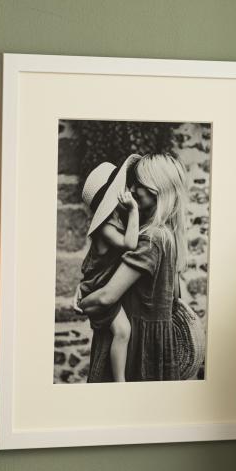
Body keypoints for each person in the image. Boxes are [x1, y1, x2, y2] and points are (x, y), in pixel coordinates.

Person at [77, 153, 189, 382]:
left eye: (139, 183)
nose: (133, 189)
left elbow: (106, 297)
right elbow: (173, 297)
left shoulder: (151, 239)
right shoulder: (166, 235)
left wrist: (83, 302)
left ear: (156, 190)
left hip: (137, 349)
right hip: (152, 342)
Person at [73, 154, 140, 382]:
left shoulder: (117, 220)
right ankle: (120, 381)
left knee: (121, 331)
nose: (129, 191)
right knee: (122, 331)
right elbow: (130, 244)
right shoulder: (106, 228)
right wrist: (134, 210)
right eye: (124, 189)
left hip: (101, 281)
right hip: (98, 286)